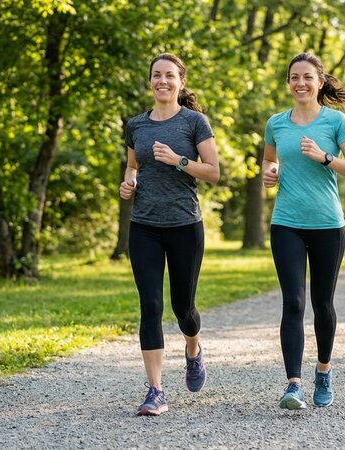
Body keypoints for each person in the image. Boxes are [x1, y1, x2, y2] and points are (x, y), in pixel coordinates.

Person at [261, 52, 345, 410]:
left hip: (327, 225)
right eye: (294, 77)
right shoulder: (276, 123)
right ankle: (293, 384)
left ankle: (323, 370)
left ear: (320, 82)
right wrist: (269, 174)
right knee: (293, 302)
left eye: (307, 77)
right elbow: (269, 161)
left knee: (322, 304)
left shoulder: (336, 122)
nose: (300, 83)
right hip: (286, 222)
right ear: (288, 83)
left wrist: (324, 157)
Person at [119, 53, 220, 416]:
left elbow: (212, 173)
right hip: (144, 225)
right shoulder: (136, 125)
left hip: (184, 226)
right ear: (150, 81)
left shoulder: (195, 122)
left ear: (180, 82)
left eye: (169, 76)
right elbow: (133, 166)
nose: (162, 81)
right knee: (150, 305)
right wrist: (128, 183)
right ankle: (155, 390)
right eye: (156, 75)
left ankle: (193, 348)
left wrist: (177, 159)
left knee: (183, 308)